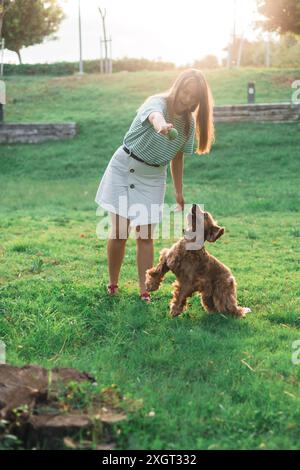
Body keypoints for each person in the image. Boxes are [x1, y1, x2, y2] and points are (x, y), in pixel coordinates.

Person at [95, 68, 215, 302]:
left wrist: (178, 191)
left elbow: (178, 157)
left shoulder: (188, 124)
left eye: (194, 96)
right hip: (124, 168)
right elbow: (153, 116)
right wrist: (161, 126)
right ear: (178, 86)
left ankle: (144, 290)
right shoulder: (157, 103)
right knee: (119, 232)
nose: (187, 99)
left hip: (152, 177)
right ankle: (113, 285)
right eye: (185, 91)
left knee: (145, 235)